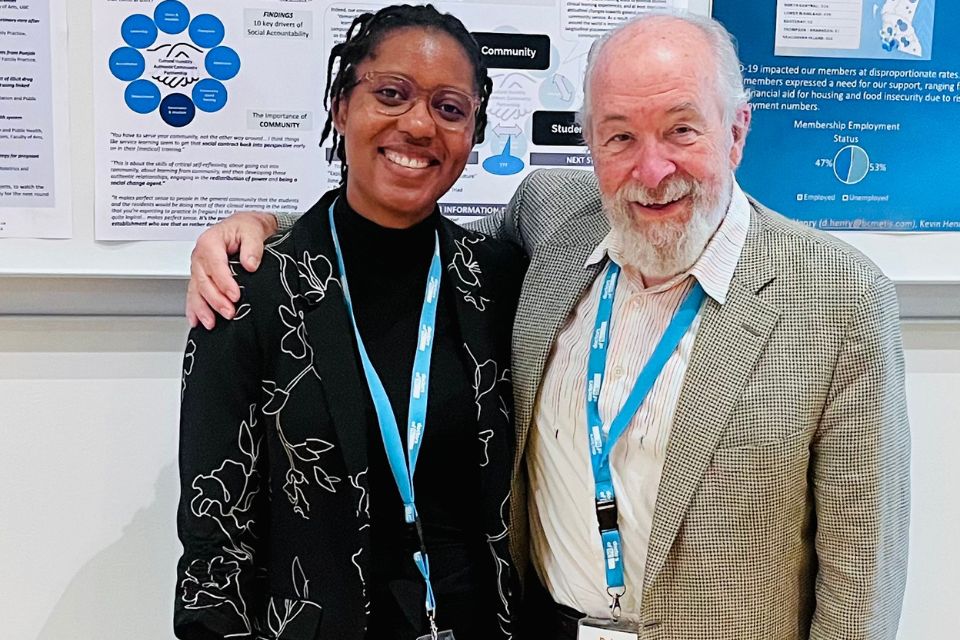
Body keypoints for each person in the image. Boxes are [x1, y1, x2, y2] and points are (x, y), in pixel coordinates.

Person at [185, 11, 911, 640]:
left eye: (681, 129)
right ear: (589, 142)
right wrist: (266, 232)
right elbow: (385, 235)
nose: (652, 169)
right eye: (620, 136)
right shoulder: (552, 227)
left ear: (736, 131)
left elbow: (860, 580)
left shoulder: (840, 299)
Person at [175, 5, 524, 640]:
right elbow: (213, 538)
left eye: (450, 108)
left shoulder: (498, 281)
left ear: (473, 134)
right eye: (391, 94)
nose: (419, 124)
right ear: (341, 105)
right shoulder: (249, 291)